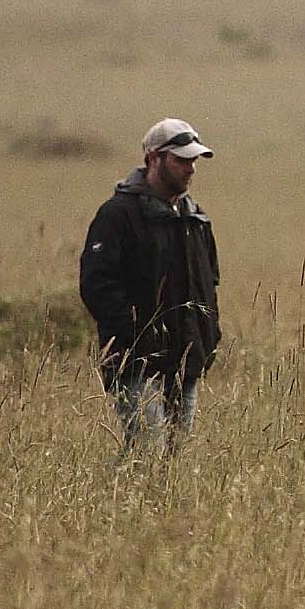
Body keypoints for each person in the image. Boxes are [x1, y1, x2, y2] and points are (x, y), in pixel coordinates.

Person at [80, 117, 222, 457]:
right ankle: (122, 507)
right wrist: (130, 338)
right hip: (136, 363)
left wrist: (208, 336)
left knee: (178, 457)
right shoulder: (118, 215)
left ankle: (165, 511)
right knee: (146, 452)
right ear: (153, 159)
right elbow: (97, 285)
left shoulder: (195, 219)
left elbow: (210, 282)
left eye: (194, 160)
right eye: (182, 160)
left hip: (186, 360)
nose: (190, 168)